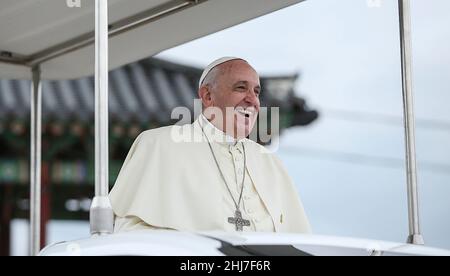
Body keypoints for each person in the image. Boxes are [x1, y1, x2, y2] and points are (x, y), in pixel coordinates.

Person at [109, 57, 311, 233]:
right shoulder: (158, 145)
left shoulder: (272, 164)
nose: (252, 100)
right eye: (241, 88)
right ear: (207, 96)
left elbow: (297, 244)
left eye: (256, 92)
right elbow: (129, 236)